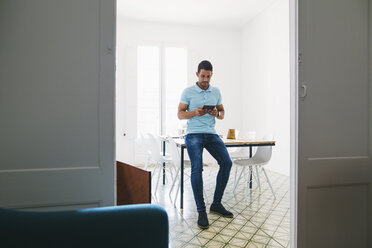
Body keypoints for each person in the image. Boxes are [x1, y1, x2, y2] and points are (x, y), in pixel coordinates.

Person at [178, 60, 233, 229]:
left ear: (211, 75)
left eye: (208, 76)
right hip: (193, 134)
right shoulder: (187, 91)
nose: (205, 79)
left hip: (211, 134)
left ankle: (216, 204)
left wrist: (217, 113)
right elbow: (180, 114)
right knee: (197, 168)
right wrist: (195, 112)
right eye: (202, 76)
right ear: (197, 74)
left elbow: (222, 112)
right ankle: (201, 211)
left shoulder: (215, 92)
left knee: (227, 163)